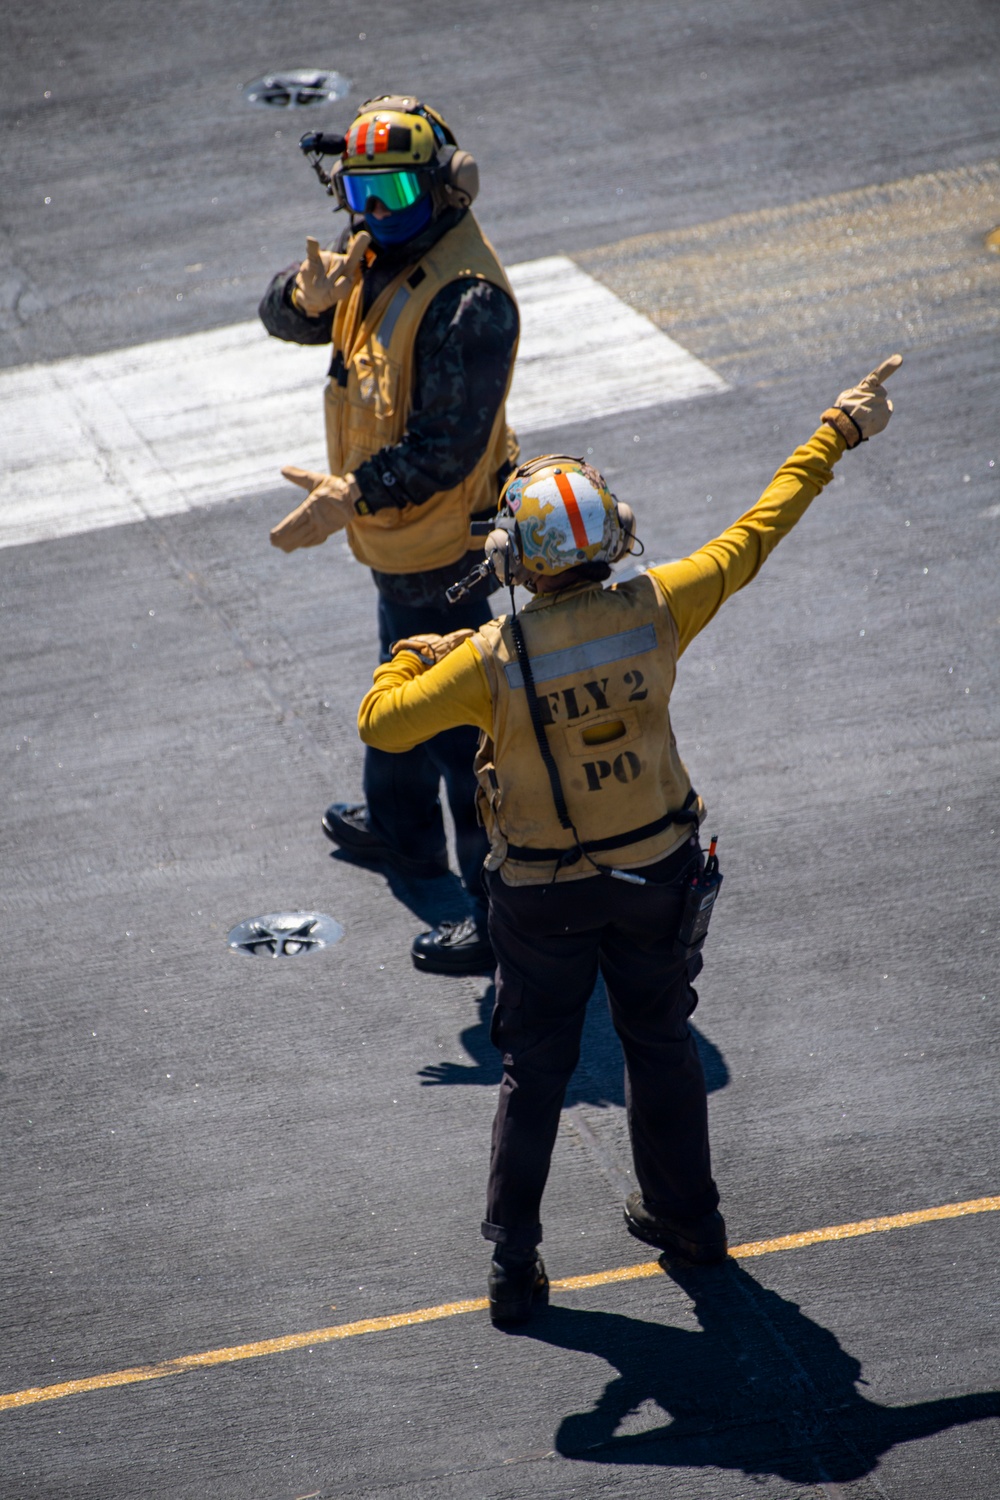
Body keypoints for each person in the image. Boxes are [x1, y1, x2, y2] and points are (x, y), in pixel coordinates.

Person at [356, 356, 901, 1323]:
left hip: (541, 896)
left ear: (518, 562)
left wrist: (417, 651)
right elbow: (760, 527)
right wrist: (837, 430)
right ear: (611, 539)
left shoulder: (495, 655)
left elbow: (381, 723)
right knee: (661, 1044)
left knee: (537, 1072)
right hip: (659, 873)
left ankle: (516, 1265)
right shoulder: (661, 605)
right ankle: (690, 1222)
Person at [260, 95, 520, 976]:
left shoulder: (469, 301)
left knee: (459, 734)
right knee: (396, 675)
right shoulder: (380, 253)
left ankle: (497, 915)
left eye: (396, 196)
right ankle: (405, 832)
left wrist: (349, 496)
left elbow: (445, 449)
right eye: (360, 196)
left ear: (447, 190)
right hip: (396, 538)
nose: (374, 218)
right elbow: (285, 320)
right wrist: (304, 298)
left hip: (443, 543)